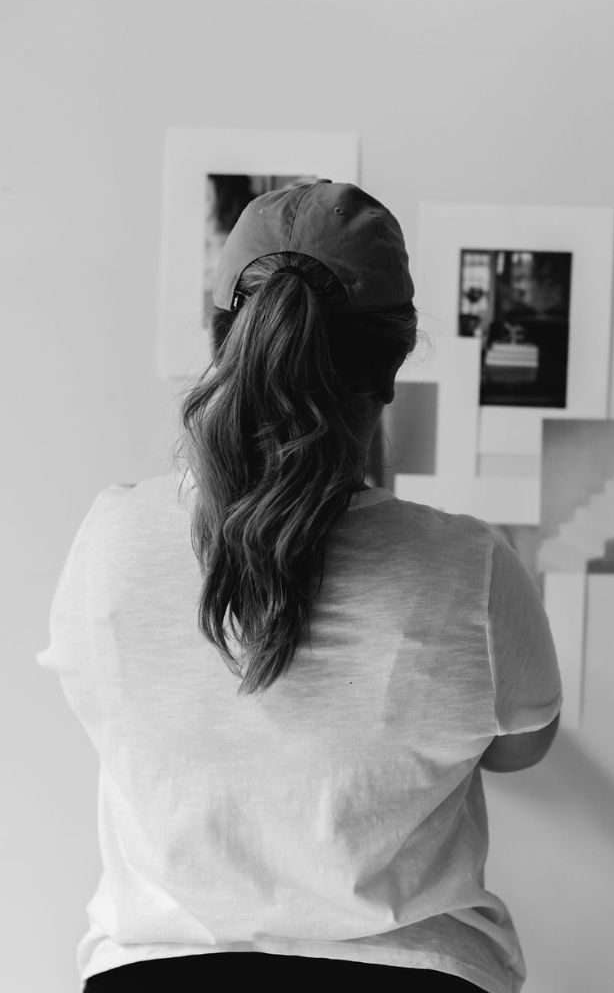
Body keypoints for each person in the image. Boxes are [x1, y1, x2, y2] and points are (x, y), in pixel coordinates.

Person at [36, 180, 562, 993]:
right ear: (391, 364)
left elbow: (120, 715)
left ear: (223, 340)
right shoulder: (469, 567)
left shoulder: (112, 539)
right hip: (411, 970)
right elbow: (522, 748)